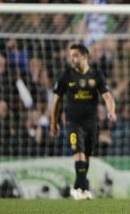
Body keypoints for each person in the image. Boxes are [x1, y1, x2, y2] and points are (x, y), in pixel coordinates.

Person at [50, 44, 117, 200]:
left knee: (86, 157)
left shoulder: (96, 75)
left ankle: (77, 187)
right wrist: (54, 122)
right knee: (78, 153)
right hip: (72, 122)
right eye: (71, 56)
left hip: (91, 124)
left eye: (75, 56)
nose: (72, 59)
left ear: (85, 56)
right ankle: (84, 189)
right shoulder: (66, 76)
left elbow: (107, 96)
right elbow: (55, 100)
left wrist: (111, 111)